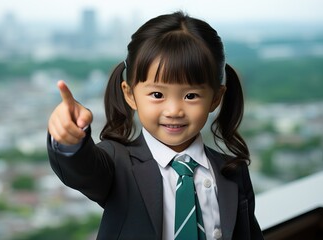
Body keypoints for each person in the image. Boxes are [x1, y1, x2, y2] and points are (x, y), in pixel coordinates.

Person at [47, 11, 263, 240]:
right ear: (130, 95)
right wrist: (69, 142)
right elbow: (84, 170)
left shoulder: (232, 171)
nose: (174, 111)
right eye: (157, 94)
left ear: (215, 98)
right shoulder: (118, 163)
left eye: (191, 96)